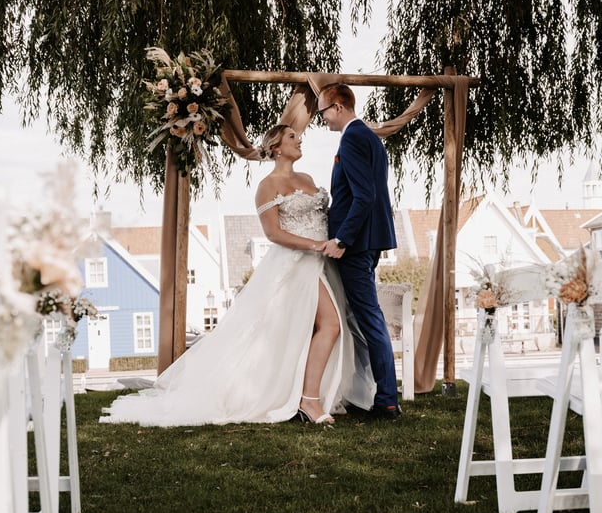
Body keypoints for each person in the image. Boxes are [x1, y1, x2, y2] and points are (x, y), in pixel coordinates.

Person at [100, 124, 375, 427]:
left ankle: (303, 393)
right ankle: (308, 399)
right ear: (276, 147)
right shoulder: (267, 186)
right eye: (293, 138)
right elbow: (273, 233)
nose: (300, 142)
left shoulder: (307, 179)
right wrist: (315, 245)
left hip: (322, 266)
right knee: (330, 325)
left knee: (304, 332)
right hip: (295, 265)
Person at [317, 83, 402, 420]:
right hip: (371, 239)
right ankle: (368, 392)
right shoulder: (369, 137)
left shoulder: (352, 138)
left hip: (356, 244)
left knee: (369, 318)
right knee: (364, 318)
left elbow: (364, 196)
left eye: (323, 112)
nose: (322, 119)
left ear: (338, 106)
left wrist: (342, 240)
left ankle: (387, 400)